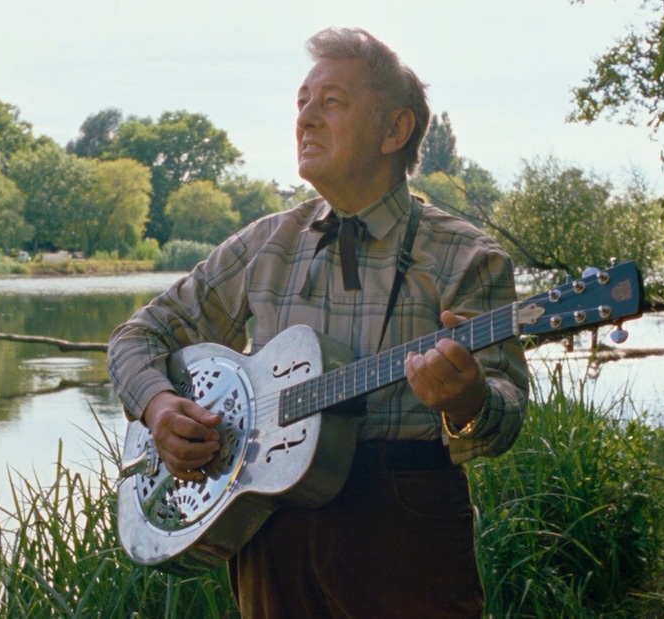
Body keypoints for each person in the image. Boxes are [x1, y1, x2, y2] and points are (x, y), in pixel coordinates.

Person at [108, 27, 528, 618]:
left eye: (331, 102)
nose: (305, 119)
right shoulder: (266, 242)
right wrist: (158, 407)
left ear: (394, 130)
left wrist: (467, 402)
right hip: (269, 530)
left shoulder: (467, 256)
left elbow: (504, 415)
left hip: (405, 529)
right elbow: (138, 336)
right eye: (302, 102)